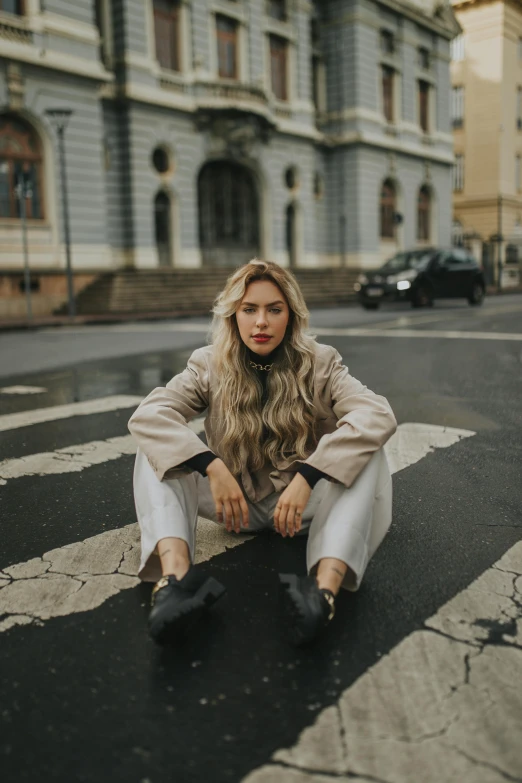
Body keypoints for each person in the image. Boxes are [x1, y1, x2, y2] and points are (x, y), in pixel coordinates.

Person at [128, 260, 397, 646]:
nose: (261, 322)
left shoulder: (322, 363)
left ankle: (323, 591)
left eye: (274, 309)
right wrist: (212, 467)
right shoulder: (208, 364)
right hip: (235, 504)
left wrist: (309, 474)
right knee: (154, 448)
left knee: (370, 452)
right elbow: (150, 414)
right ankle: (174, 581)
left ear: (291, 315)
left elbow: (376, 414)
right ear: (233, 315)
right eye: (249, 309)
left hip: (301, 507)